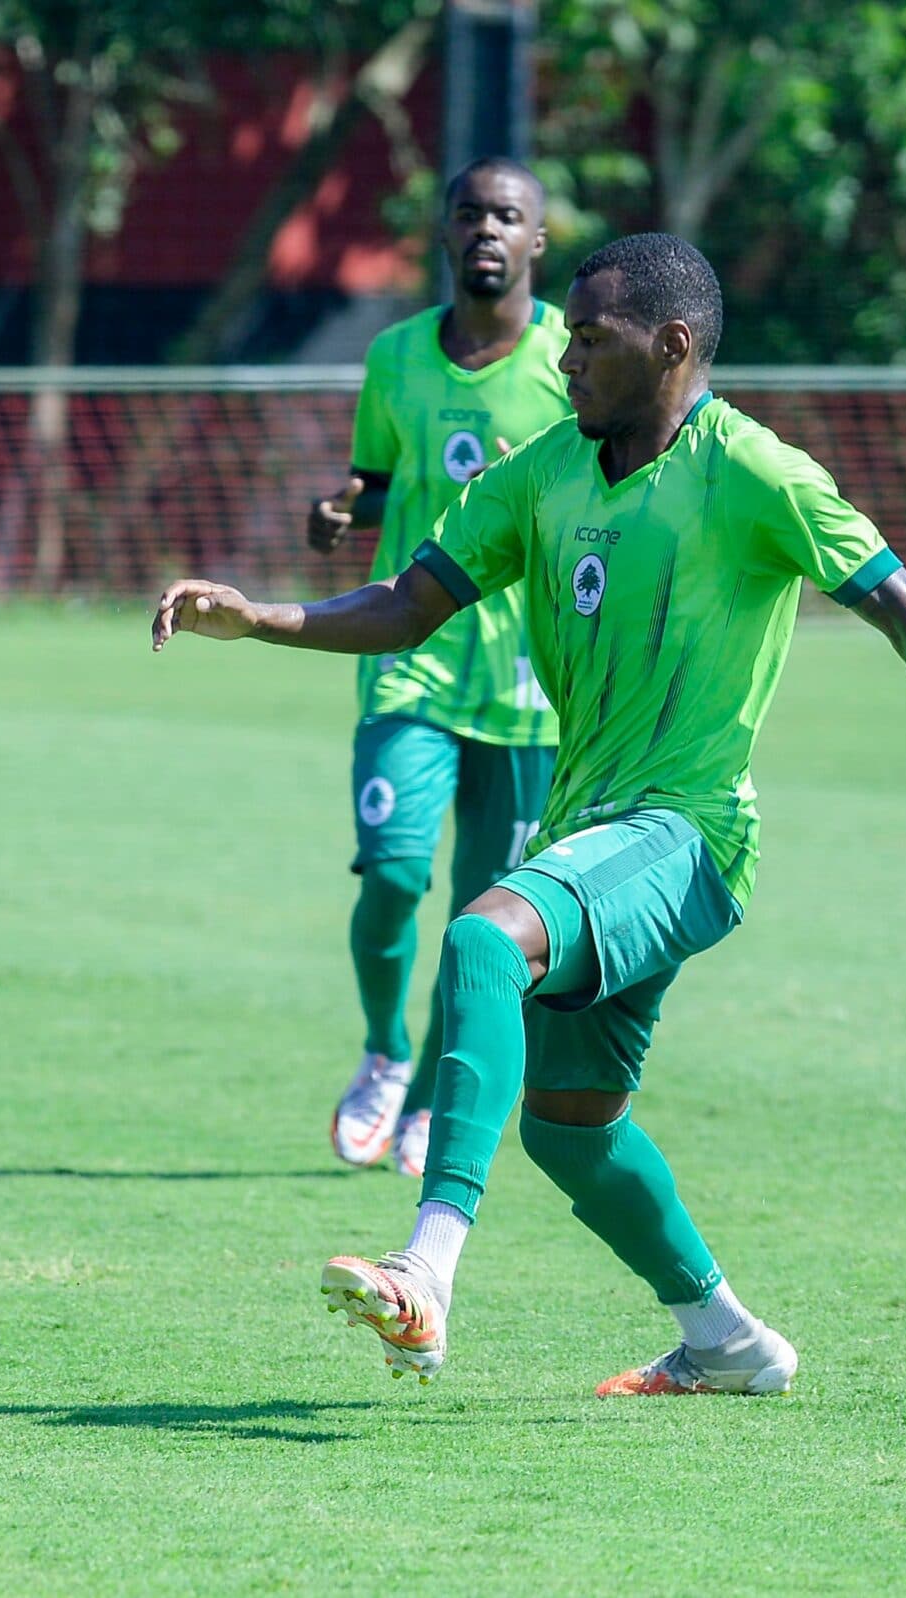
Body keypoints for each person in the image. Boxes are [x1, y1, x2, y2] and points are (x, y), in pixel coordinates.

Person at [154, 232, 906, 1395]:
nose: (568, 357)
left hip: (690, 834)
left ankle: (427, 1269)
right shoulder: (543, 472)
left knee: (484, 935)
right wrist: (259, 617)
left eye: (593, 339)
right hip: (590, 830)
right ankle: (728, 1341)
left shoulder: (757, 472)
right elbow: (406, 602)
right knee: (568, 1126)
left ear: (673, 346)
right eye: (570, 336)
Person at [307, 158, 570, 1177]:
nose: (488, 230)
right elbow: (381, 485)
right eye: (470, 213)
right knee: (393, 872)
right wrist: (345, 511)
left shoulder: (571, 359)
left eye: (508, 215)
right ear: (445, 232)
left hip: (529, 677)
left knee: (484, 918)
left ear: (537, 240)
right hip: (409, 655)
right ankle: (384, 1050)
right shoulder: (395, 358)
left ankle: (425, 1104)